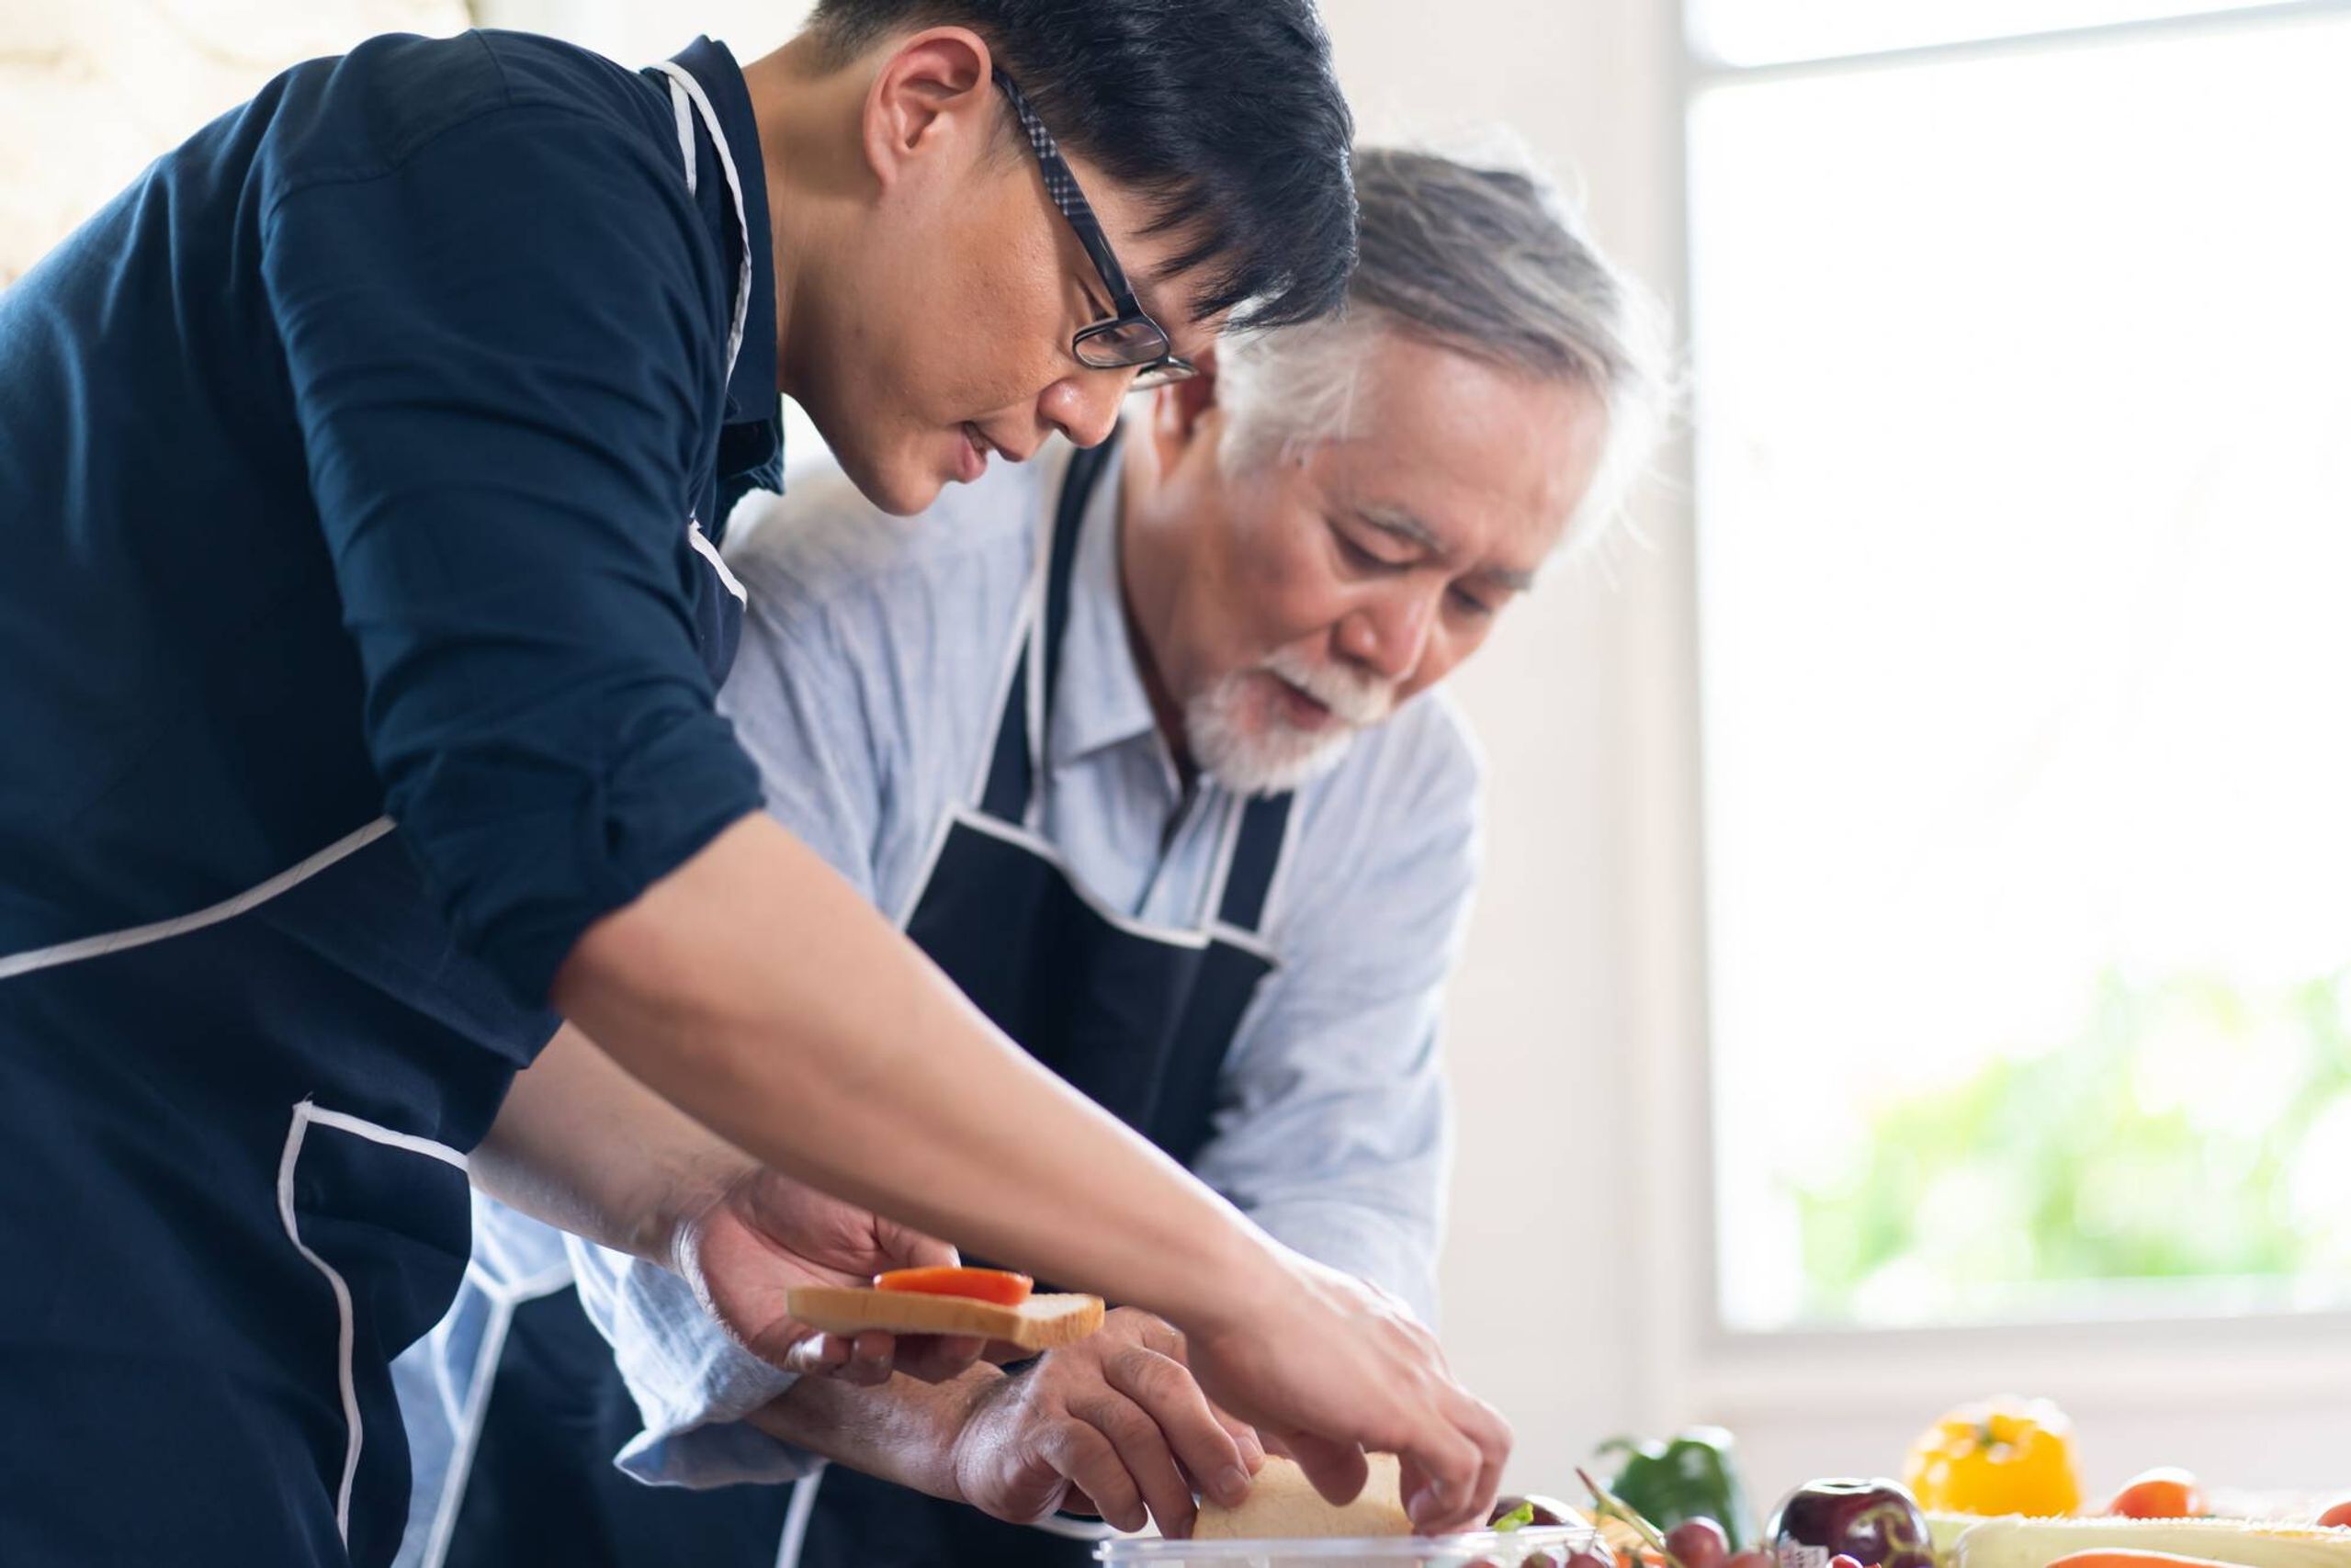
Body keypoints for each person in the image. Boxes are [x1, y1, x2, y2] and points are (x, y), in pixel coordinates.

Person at [0, 3, 1513, 1562]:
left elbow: (403, 944)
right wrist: (1243, 1284)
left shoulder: (666, 414)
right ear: (925, 103)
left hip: (229, 1284)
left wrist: (699, 1194)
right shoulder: (506, 161)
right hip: (71, 1211)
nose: (1083, 414)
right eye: (1108, 324)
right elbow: (618, 866)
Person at [399, 146, 1664, 1568]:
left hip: (1030, 1493)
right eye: (1374, 547)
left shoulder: (1411, 794)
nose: (1404, 648)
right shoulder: (863, 590)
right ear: (1190, 403)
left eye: (1481, 598)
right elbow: (689, 1100)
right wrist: (986, 1404)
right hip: (613, 1471)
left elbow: (1338, 1176)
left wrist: (1279, 1360)